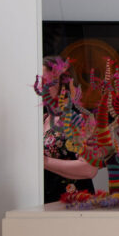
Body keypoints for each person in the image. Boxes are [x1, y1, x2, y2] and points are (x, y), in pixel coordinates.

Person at [40, 56, 98, 203]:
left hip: (74, 206)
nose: (40, 86)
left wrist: (43, 162)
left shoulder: (78, 120)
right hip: (45, 204)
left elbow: (89, 168)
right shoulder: (41, 119)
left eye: (45, 81)